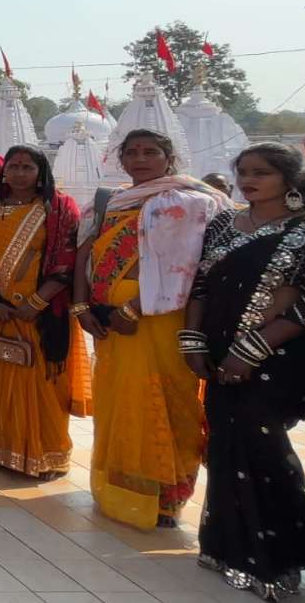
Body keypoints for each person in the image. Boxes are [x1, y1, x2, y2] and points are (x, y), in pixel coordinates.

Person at [182, 143, 305, 597]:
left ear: (289, 179)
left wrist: (249, 351)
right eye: (243, 172)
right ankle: (228, 549)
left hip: (281, 358)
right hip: (219, 349)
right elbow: (202, 283)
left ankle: (285, 552)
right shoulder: (225, 222)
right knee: (227, 445)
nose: (248, 180)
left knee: (263, 447)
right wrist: (191, 340)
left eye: (261, 173)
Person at [75, 129, 225, 530]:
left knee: (166, 397)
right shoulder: (108, 200)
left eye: (151, 152)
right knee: (119, 399)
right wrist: (81, 306)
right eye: (133, 152)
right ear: (121, 159)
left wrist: (134, 306)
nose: (141, 158)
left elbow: (187, 267)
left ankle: (165, 498)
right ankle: (122, 488)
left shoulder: (187, 201)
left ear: (168, 157)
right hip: (109, 317)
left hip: (160, 315)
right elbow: (85, 253)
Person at [0, 145, 84, 480]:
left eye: (27, 167)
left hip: (41, 313)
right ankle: (4, 450)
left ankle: (46, 454)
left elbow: (67, 257)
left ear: (40, 171)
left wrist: (36, 302)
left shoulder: (58, 208)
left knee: (43, 382)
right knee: (3, 378)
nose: (19, 173)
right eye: (13, 167)